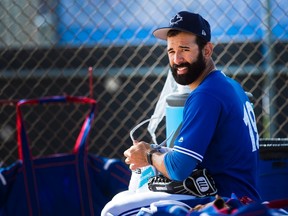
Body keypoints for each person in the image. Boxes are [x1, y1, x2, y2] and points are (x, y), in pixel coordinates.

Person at [101, 11, 261, 215]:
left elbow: (178, 169)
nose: (177, 59)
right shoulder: (230, 85)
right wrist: (153, 151)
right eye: (171, 51)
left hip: (225, 202)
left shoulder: (207, 94)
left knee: (114, 210)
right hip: (241, 195)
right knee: (123, 198)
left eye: (185, 49)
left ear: (207, 50)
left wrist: (147, 155)